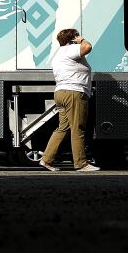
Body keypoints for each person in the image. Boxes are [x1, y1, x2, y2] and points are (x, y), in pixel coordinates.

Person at [39, 28, 99, 172]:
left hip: (61, 92)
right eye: (76, 36)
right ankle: (81, 163)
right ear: (72, 39)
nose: (78, 37)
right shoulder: (71, 49)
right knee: (78, 128)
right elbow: (88, 47)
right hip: (74, 92)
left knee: (63, 128)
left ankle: (46, 159)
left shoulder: (58, 54)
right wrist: (82, 40)